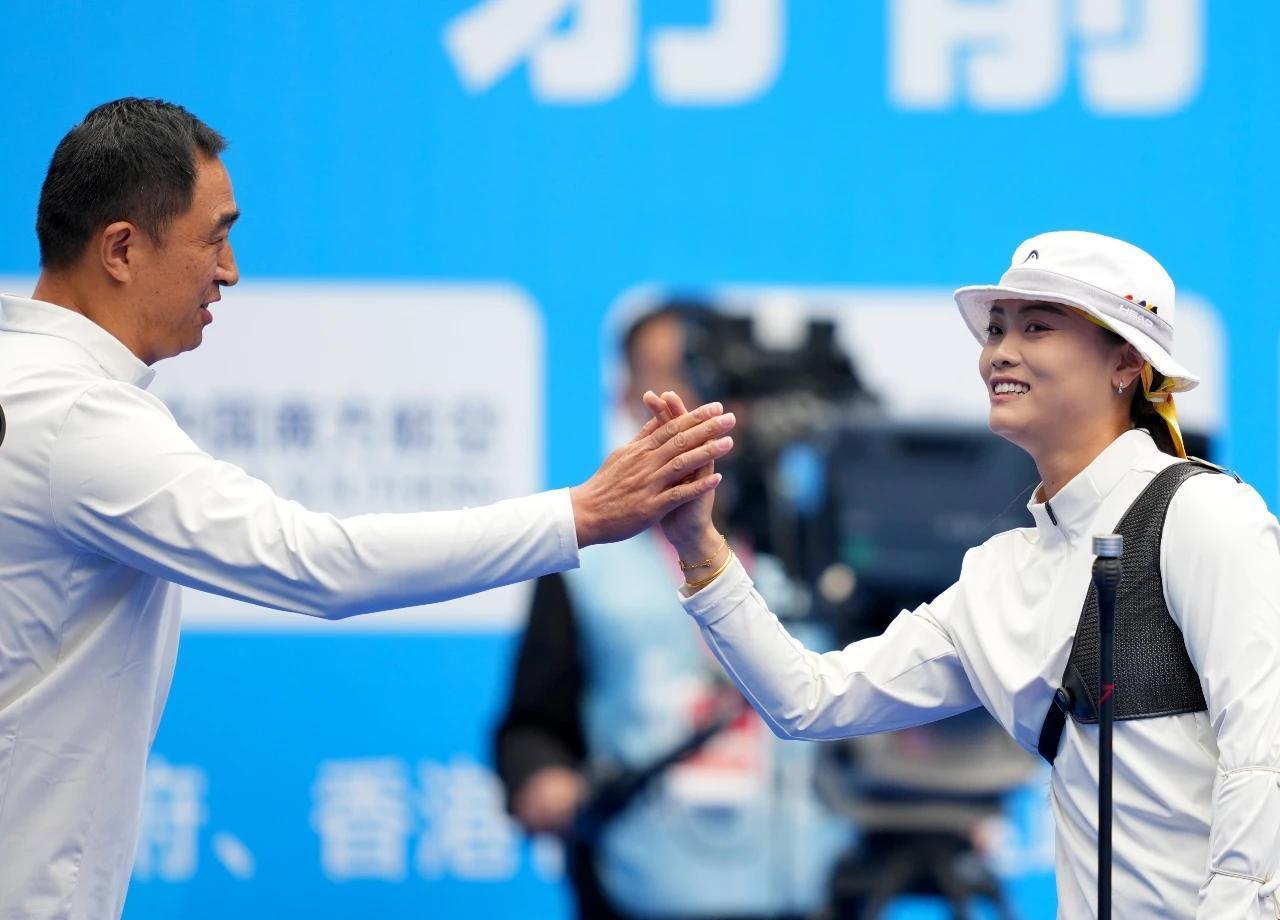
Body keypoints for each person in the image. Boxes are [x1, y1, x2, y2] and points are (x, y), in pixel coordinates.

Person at [0, 98, 735, 920]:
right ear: (121, 249)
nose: (230, 270)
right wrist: (583, 514)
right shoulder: (78, 417)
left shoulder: (31, 387)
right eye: (214, 237)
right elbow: (321, 564)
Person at [645, 231, 1280, 918]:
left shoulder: (1205, 515)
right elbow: (810, 701)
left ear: (1126, 361)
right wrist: (700, 548)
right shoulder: (1000, 572)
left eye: (1037, 327)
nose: (999, 351)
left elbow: (1266, 755)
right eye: (997, 329)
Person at [494, 306, 848, 920]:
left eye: (701, 375)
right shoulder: (584, 558)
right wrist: (542, 779)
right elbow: (533, 725)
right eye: (663, 375)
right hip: (638, 883)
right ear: (625, 395)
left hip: (812, 886)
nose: (686, 398)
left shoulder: (820, 547)